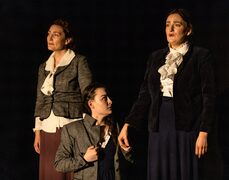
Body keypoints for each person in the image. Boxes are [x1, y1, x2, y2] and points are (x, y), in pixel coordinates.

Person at [118, 8, 216, 180]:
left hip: (188, 125)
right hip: (159, 124)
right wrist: (127, 125)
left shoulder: (201, 56)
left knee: (185, 171)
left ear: (188, 30)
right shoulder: (156, 57)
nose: (170, 29)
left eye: (176, 25)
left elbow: (209, 96)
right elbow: (145, 95)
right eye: (167, 25)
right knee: (160, 171)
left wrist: (204, 132)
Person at [33, 19, 93, 180]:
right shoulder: (43, 67)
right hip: (47, 127)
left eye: (56, 34)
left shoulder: (79, 61)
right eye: (48, 34)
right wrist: (37, 132)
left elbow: (88, 93)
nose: (50, 38)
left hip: (70, 125)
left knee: (67, 171)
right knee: (50, 172)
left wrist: (88, 127)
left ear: (67, 40)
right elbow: (40, 99)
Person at [54, 82, 132, 180]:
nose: (110, 101)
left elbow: (130, 162)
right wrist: (84, 159)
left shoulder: (117, 127)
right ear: (91, 104)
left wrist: (127, 151)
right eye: (104, 98)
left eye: (109, 97)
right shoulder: (72, 129)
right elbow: (59, 164)